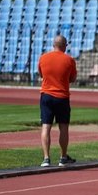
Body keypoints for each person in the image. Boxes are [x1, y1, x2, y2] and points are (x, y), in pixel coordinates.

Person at [38, 34, 77, 168]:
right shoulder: (69, 60)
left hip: (46, 95)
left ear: (53, 45)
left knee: (46, 126)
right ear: (64, 46)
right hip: (62, 96)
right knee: (63, 127)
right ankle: (63, 157)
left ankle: (46, 158)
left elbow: (41, 74)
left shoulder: (43, 58)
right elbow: (72, 78)